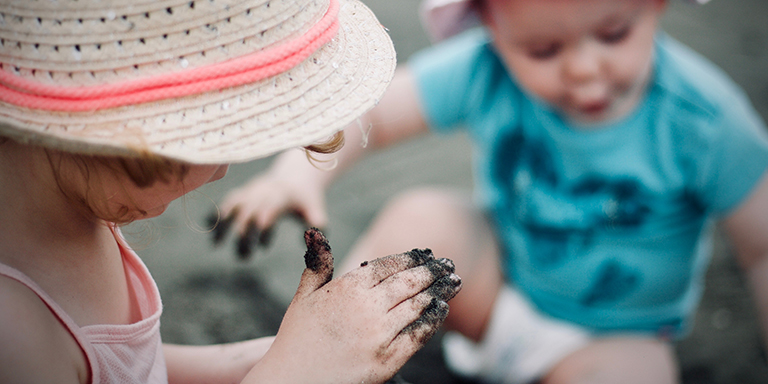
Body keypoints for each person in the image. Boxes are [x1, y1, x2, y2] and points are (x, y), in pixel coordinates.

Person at [213, 0, 768, 383]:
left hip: (614, 339)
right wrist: (300, 173)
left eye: (614, 33)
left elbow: (762, 244)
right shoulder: (487, 68)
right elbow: (373, 118)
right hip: (493, 291)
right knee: (423, 215)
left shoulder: (702, 120)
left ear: (656, 7)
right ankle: (346, 342)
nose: (582, 67)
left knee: (635, 375)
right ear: (491, 28)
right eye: (543, 50)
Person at [0, 0, 464, 383]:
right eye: (218, 136)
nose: (223, 170)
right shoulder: (14, 336)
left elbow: (132, 371)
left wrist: (256, 361)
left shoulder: (63, 205)